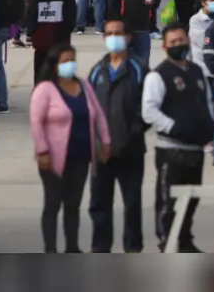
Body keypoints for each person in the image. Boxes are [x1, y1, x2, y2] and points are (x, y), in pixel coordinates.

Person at [142, 23, 214, 253]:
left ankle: (185, 240)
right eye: (173, 42)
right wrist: (174, 127)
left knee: (191, 199)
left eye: (181, 40)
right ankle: (168, 242)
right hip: (171, 150)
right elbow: (149, 111)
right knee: (169, 202)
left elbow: (207, 103)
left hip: (196, 149)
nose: (178, 45)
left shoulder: (196, 72)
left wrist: (210, 128)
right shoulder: (158, 76)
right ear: (164, 46)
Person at [29, 44, 111, 253]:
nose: (70, 65)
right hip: (53, 159)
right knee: (53, 203)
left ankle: (72, 248)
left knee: (73, 204)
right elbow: (36, 122)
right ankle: (50, 248)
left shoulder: (84, 85)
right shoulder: (45, 89)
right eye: (65, 61)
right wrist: (42, 151)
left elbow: (98, 114)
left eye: (72, 60)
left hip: (81, 156)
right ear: (55, 65)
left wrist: (106, 141)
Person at [87, 19, 149, 253]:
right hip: (101, 154)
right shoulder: (96, 71)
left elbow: (146, 111)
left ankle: (133, 250)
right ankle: (100, 250)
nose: (113, 37)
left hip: (130, 151)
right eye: (109, 33)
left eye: (118, 33)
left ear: (128, 37)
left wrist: (126, 138)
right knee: (99, 205)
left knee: (132, 205)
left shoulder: (139, 69)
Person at [26, 0, 76, 87]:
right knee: (40, 76)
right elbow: (33, 16)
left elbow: (70, 22)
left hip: (59, 45)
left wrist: (61, 39)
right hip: (41, 45)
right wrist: (32, 34)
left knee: (60, 78)